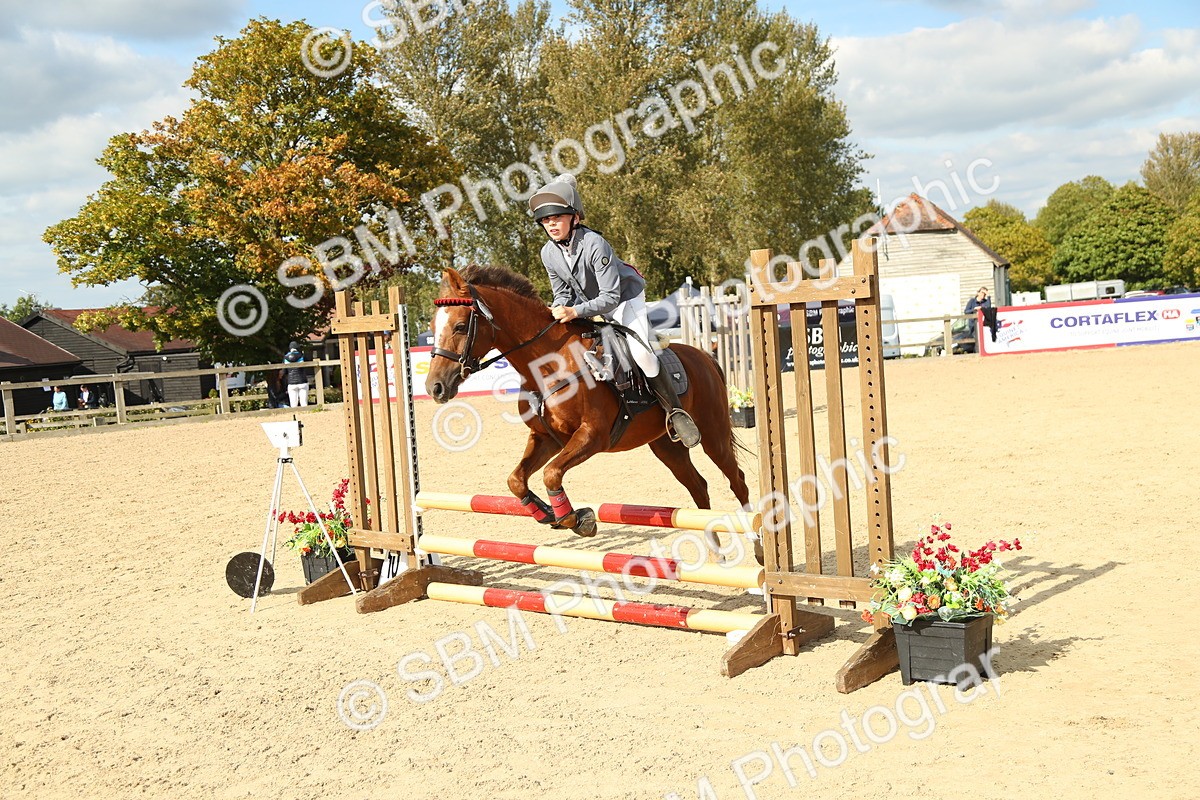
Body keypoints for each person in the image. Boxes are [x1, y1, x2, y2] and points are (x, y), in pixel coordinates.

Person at [528, 174, 701, 447]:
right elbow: (562, 292)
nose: (551, 224)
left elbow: (610, 297)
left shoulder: (595, 244)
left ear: (575, 218)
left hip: (624, 300)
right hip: (589, 304)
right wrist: (560, 307)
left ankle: (676, 412)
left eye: (557, 217)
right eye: (545, 220)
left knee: (642, 354)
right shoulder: (548, 253)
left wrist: (574, 312)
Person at [283, 341, 310, 407]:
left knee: (293, 404)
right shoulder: (302, 356)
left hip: (291, 382)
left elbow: (284, 371)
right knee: (304, 403)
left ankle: (294, 416)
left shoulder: (285, 357)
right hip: (302, 381)